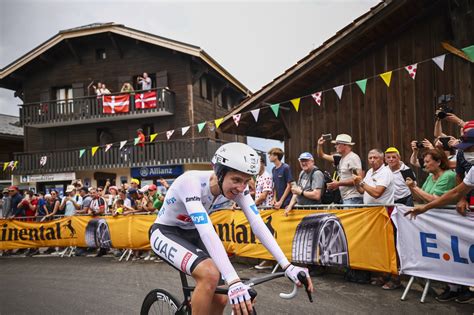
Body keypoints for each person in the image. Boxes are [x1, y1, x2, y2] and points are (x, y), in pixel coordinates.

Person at [149, 142, 313, 315]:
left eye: (246, 181)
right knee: (210, 274)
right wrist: (234, 281)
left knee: (221, 297)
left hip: (193, 233)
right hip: (166, 232)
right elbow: (206, 231)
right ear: (218, 173)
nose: (241, 188)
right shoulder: (190, 183)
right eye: (235, 180)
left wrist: (286, 265)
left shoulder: (238, 190)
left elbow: (258, 224)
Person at [317, 134, 363, 205]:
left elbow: (358, 179)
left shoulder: (353, 158)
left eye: (337, 144)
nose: (335, 146)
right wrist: (319, 145)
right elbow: (321, 155)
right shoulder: (341, 158)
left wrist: (338, 183)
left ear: (345, 145)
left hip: (353, 197)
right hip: (347, 198)